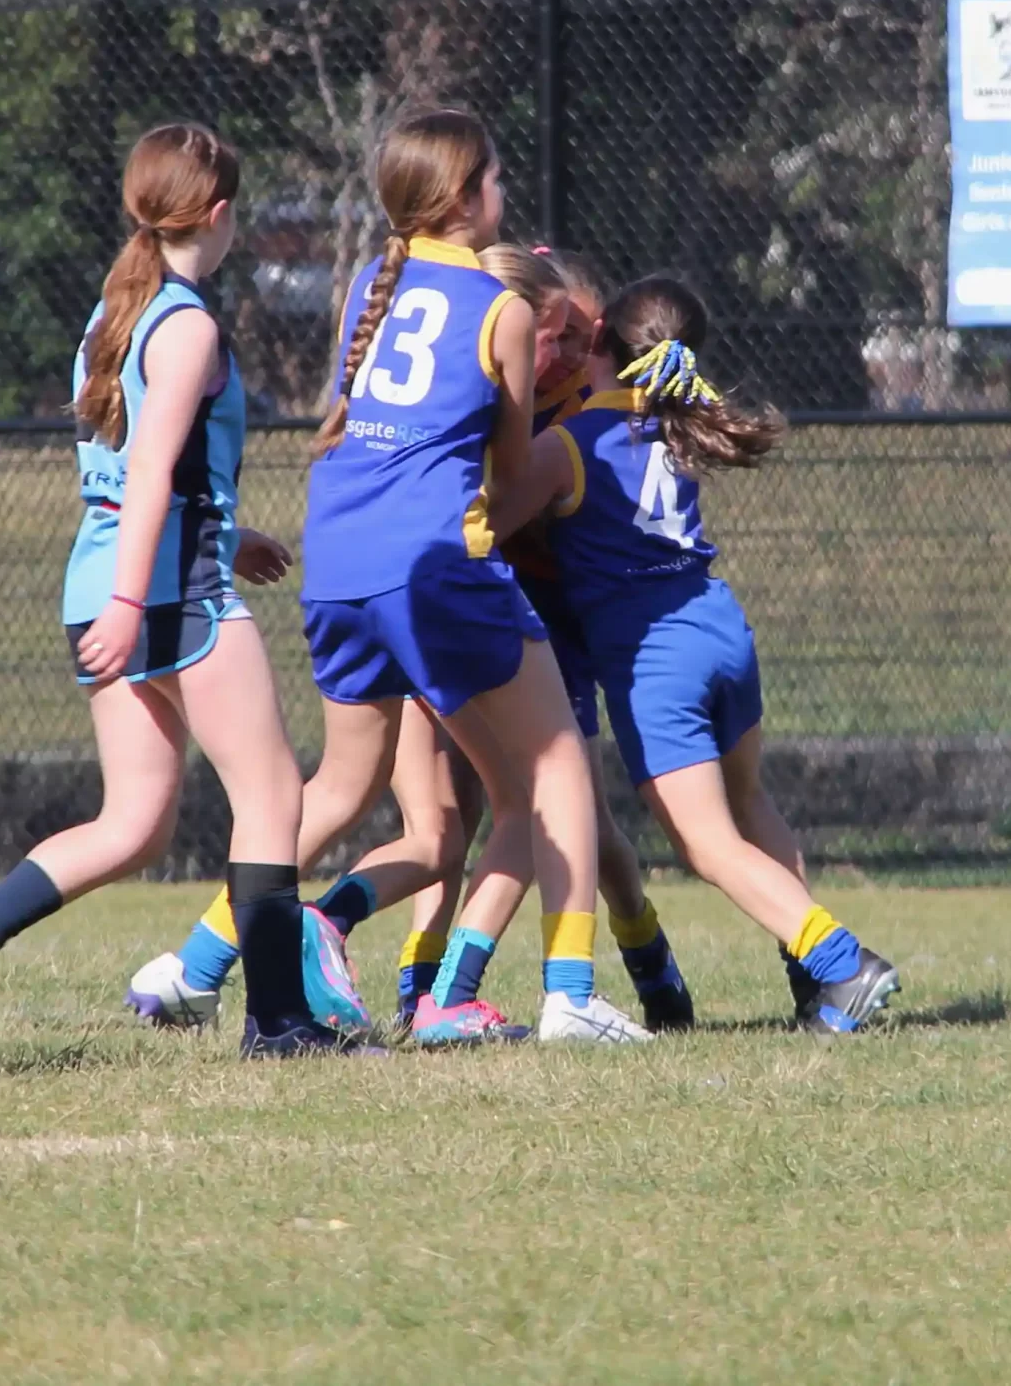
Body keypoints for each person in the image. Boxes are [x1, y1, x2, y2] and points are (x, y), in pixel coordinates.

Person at [0, 125, 370, 1062]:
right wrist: (135, 597)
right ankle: (280, 1022)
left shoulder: (118, 311)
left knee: (135, 823)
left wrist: (224, 534)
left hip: (112, 577)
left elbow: (140, 470)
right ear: (219, 214)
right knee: (273, 793)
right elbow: (148, 470)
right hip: (163, 592)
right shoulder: (186, 324)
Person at [129, 244, 694, 1035]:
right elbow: (498, 494)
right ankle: (461, 984)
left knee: (435, 826)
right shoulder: (495, 375)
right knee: (540, 801)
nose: (568, 352)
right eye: (556, 334)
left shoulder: (564, 397)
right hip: (458, 607)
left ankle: (218, 961)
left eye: (583, 337)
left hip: (409, 591)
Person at [264, 106, 646, 1045]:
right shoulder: (503, 308)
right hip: (436, 568)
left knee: (344, 788)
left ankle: (220, 959)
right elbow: (509, 471)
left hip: (336, 561)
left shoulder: (369, 284)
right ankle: (569, 993)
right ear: (464, 197)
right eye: (495, 177)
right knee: (558, 760)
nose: (503, 190)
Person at [494, 273, 900, 1033]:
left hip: (659, 660)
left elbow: (484, 526)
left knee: (707, 845)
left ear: (601, 342)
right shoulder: (676, 428)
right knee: (751, 805)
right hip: (720, 627)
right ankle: (815, 984)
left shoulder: (564, 446)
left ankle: (845, 965)